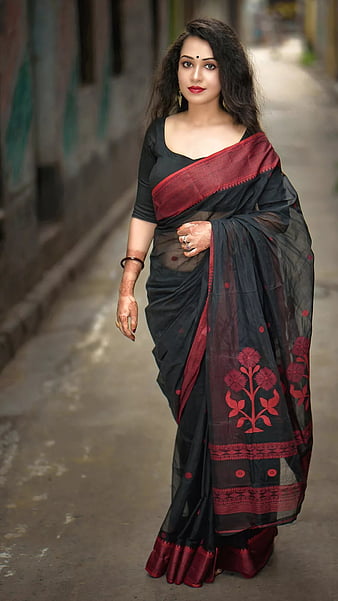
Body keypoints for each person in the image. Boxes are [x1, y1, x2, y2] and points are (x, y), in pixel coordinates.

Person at [116, 17, 314, 588]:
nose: (197, 74)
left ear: (227, 73)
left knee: (221, 414)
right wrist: (128, 285)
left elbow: (284, 221)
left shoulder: (250, 146)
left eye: (209, 64)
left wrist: (219, 233)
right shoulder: (159, 132)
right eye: (187, 63)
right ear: (175, 72)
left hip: (234, 306)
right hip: (173, 299)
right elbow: (144, 209)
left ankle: (224, 538)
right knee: (193, 417)